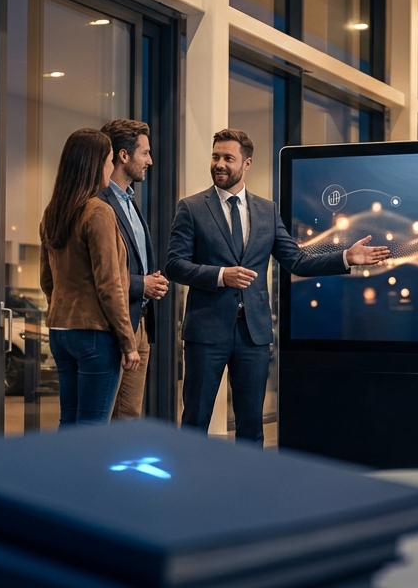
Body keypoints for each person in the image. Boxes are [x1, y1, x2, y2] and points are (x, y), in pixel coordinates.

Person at [165, 129, 389, 444]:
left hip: (253, 336)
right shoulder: (191, 208)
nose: (219, 164)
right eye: (216, 157)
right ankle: (187, 488)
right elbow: (175, 264)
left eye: (228, 158)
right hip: (206, 332)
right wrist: (220, 275)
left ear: (246, 163)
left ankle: (251, 489)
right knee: (194, 422)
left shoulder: (267, 211)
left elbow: (296, 261)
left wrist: (345, 257)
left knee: (251, 427)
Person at [39, 128, 142, 425]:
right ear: (95, 163)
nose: (111, 167)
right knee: (93, 430)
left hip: (60, 331)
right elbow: (110, 285)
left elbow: (48, 281)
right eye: (109, 160)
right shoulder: (98, 211)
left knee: (69, 423)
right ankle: (85, 474)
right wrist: (128, 341)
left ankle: (62, 473)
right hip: (96, 334)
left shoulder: (53, 213)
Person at [99, 118, 167, 420]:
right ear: (123, 156)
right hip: (112, 326)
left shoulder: (129, 202)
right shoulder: (99, 204)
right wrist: (143, 284)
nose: (150, 161)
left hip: (138, 323)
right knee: (102, 417)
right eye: (145, 153)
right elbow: (100, 274)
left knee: (128, 417)